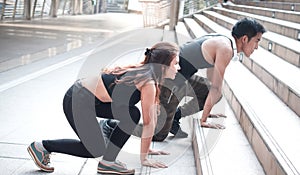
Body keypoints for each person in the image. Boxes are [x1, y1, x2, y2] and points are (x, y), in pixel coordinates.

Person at [100, 17, 266, 142]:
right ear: (245, 39)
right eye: (257, 41)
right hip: (170, 79)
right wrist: (203, 120)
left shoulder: (222, 40)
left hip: (181, 75)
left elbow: (211, 84)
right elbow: (217, 87)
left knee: (206, 91)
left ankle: (175, 117)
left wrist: (207, 108)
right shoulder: (226, 49)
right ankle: (111, 125)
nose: (257, 47)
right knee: (159, 135)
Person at [27, 41, 181, 175]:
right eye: (175, 63)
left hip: (92, 101)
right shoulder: (147, 82)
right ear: (163, 65)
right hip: (77, 99)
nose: (178, 68)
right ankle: (42, 146)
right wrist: (144, 158)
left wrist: (147, 150)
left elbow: (151, 117)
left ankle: (108, 161)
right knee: (94, 149)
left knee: (132, 114)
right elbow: (148, 123)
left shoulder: (146, 75)